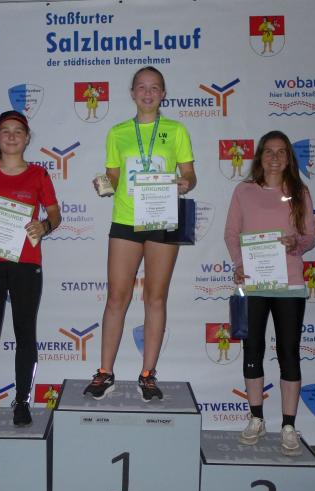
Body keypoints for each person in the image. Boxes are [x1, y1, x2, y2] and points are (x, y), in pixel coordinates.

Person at [84, 66, 197, 402]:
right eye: (142, 87)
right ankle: (105, 372)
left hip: (163, 219)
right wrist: (103, 184)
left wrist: (186, 183)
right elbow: (113, 177)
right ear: (133, 93)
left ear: (163, 94)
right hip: (126, 220)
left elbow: (189, 174)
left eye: (155, 87)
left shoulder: (176, 130)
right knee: (116, 298)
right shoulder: (117, 132)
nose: (148, 93)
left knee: (155, 298)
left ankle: (148, 374)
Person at [0, 110, 61, 427]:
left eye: (18, 131)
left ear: (27, 137)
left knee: (25, 334)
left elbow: (55, 215)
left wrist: (44, 226)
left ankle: (22, 401)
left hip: (26, 263)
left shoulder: (39, 175)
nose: (11, 136)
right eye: (5, 131)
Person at [224, 130, 315, 456]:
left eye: (281, 152)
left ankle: (288, 425)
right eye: (269, 151)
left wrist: (296, 242)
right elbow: (231, 233)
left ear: (289, 158)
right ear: (260, 156)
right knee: (253, 349)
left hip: (289, 284)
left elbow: (310, 236)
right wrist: (239, 263)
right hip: (253, 284)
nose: (275, 158)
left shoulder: (299, 192)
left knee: (289, 352)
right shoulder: (243, 191)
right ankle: (256, 419)